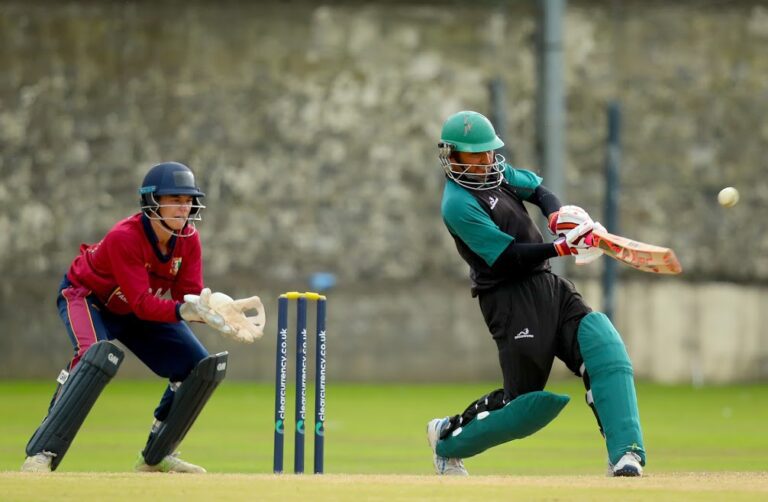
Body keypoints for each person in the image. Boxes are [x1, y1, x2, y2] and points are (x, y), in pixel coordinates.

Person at [426, 111, 645, 477]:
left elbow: (540, 192)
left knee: (602, 343)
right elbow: (508, 256)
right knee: (523, 406)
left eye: (488, 151)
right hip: (509, 300)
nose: (484, 160)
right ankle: (447, 440)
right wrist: (562, 247)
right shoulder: (457, 204)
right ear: (452, 156)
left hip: (547, 284)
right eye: (474, 155)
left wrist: (558, 216)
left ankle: (625, 455)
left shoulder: (497, 173)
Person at [21, 161, 255, 473]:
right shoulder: (125, 237)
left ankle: (156, 456)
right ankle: (42, 452)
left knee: (198, 366)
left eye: (188, 200)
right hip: (88, 296)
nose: (183, 208)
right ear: (151, 201)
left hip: (132, 305)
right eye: (174, 199)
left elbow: (189, 296)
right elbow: (146, 304)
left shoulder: (189, 239)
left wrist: (217, 312)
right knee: (93, 356)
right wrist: (184, 310)